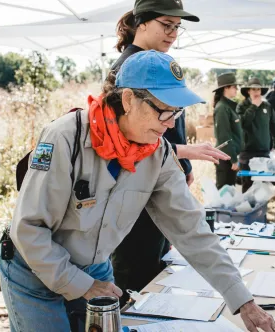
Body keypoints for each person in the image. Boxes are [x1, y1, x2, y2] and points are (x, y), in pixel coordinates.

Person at [0, 51, 275, 332]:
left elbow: (191, 229)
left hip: (92, 265)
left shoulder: (156, 154)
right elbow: (29, 229)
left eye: (177, 112)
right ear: (129, 99)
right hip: (33, 267)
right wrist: (81, 285)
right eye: (164, 111)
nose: (171, 123)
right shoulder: (65, 137)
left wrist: (242, 300)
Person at [109, 0, 229, 304]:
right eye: (167, 24)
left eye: (178, 27)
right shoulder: (127, 68)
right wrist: (186, 151)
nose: (173, 33)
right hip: (138, 195)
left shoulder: (159, 62)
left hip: (158, 188)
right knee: (137, 283)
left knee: (158, 277)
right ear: (142, 22)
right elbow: (122, 143)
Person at [237, 77, 275, 193]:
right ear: (248, 91)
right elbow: (243, 124)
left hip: (264, 151)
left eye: (258, 89)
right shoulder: (242, 106)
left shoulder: (267, 106)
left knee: (263, 187)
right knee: (248, 185)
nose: (256, 92)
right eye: (253, 89)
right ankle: (247, 210)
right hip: (247, 152)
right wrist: (253, 107)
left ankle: (262, 211)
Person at [213, 72, 242, 189]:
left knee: (229, 193)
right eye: (234, 87)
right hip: (225, 159)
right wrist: (233, 160)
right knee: (223, 195)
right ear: (226, 88)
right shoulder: (222, 108)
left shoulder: (229, 106)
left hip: (229, 157)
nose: (236, 89)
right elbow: (224, 136)